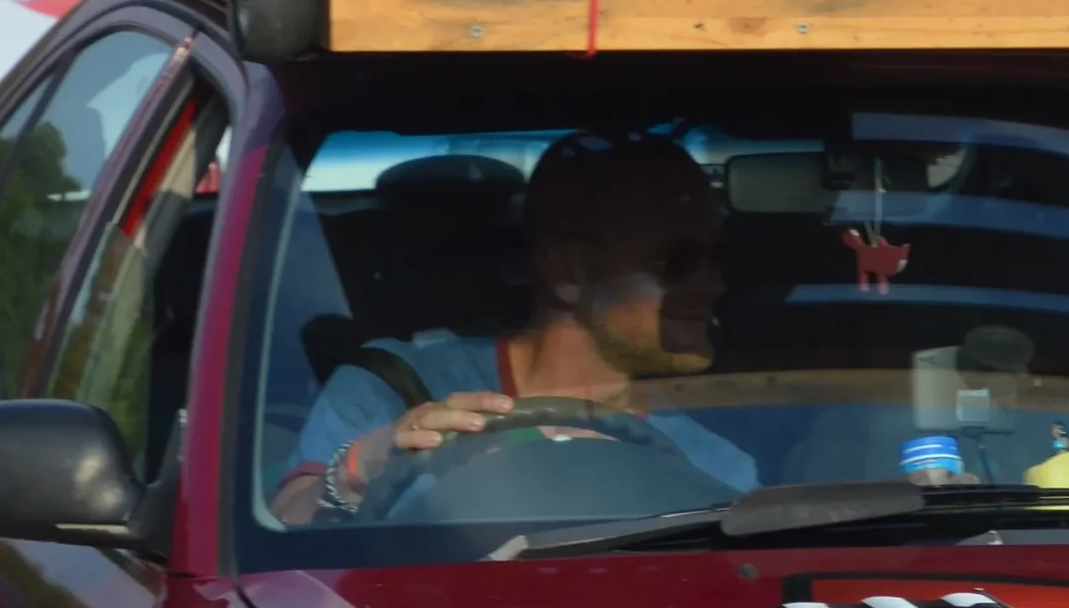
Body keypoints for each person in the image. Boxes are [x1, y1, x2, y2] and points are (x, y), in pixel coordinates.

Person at [277, 132, 756, 525]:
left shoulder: (716, 465)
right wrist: (362, 468)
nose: (712, 284)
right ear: (569, 268)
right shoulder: (392, 386)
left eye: (718, 257)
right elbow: (280, 536)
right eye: (676, 262)